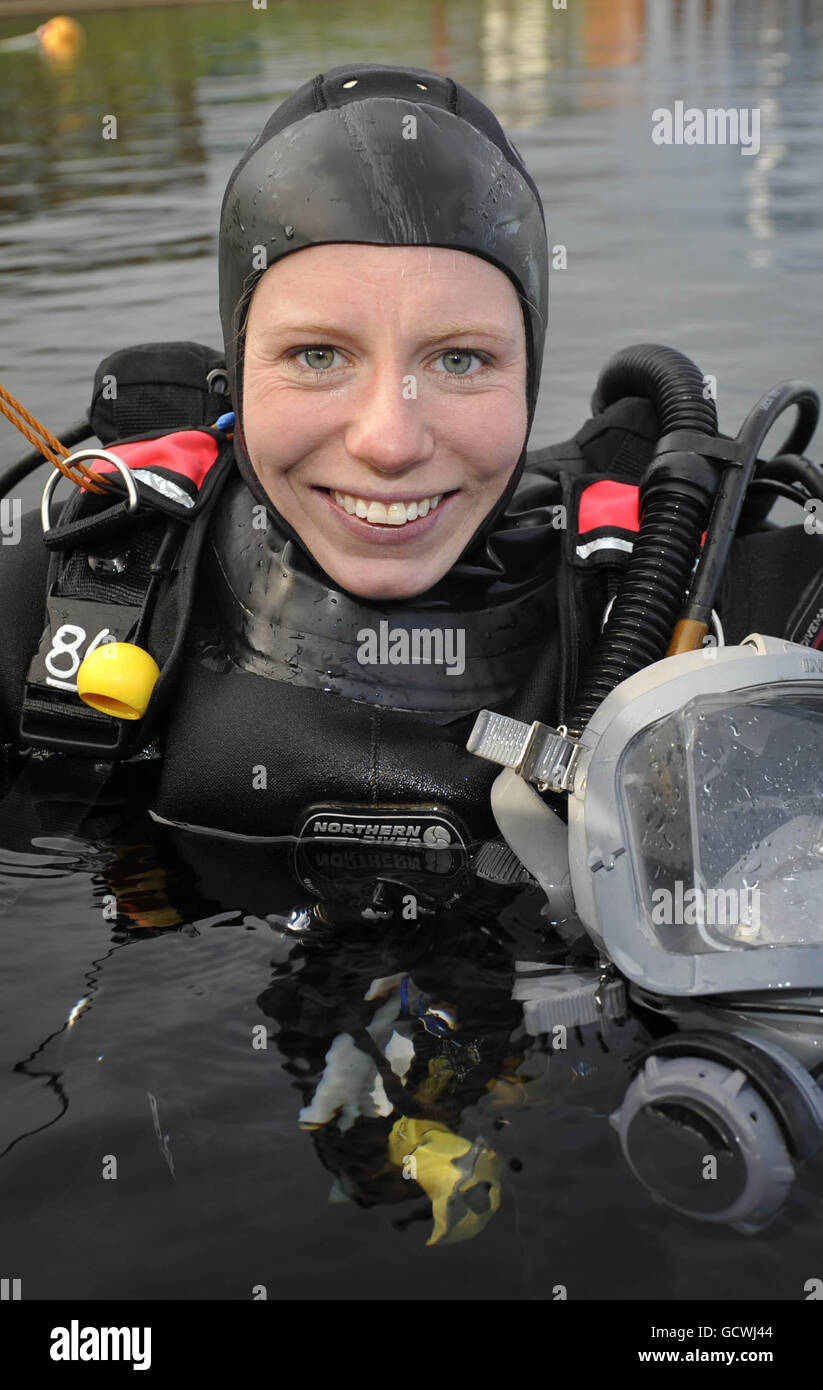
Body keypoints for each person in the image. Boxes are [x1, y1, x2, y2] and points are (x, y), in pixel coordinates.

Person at [0, 62, 821, 852]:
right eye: (318, 356)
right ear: (236, 375)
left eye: (459, 361)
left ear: (529, 376)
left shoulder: (700, 604)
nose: (388, 443)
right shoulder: (71, 588)